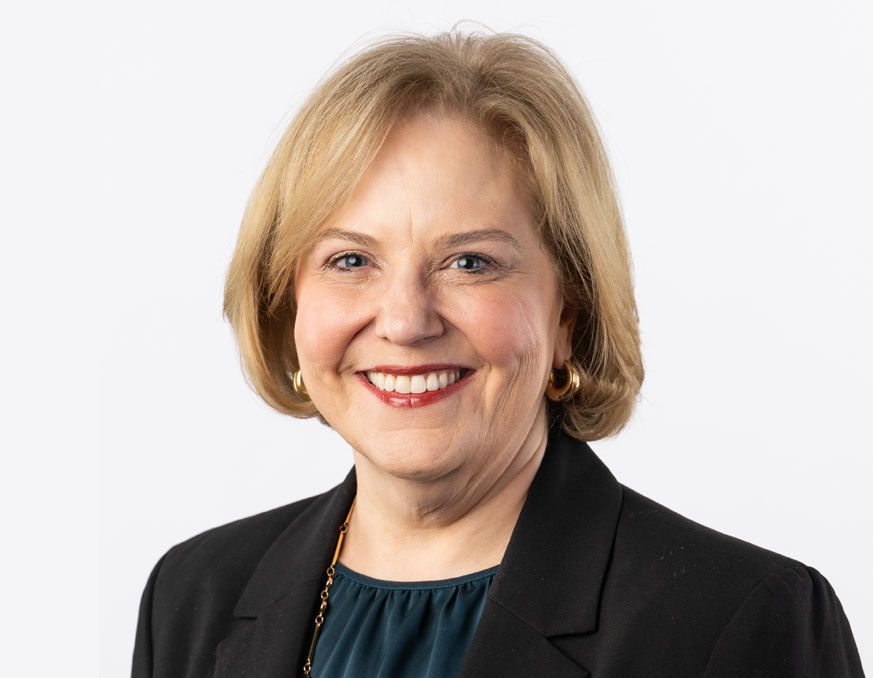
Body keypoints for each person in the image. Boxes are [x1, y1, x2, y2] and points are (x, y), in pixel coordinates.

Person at [131, 29, 865, 678]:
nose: (405, 321)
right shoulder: (194, 596)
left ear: (568, 312)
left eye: (470, 262)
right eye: (350, 260)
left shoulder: (739, 619)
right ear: (288, 303)